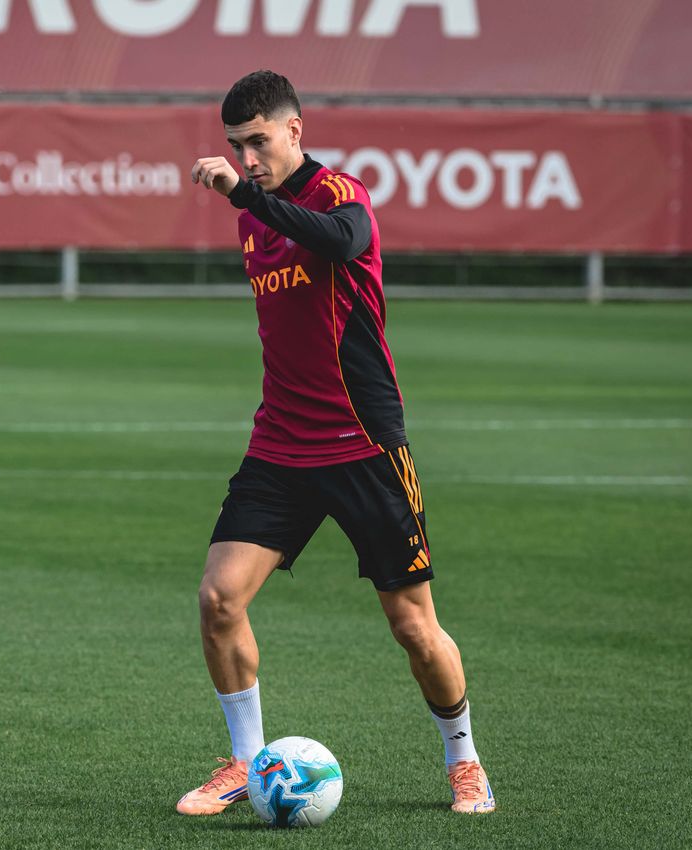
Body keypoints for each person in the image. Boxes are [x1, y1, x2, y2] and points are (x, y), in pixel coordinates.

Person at [179, 70, 495, 816]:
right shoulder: (251, 215)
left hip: (363, 445)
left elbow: (342, 240)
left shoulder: (339, 197)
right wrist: (251, 199)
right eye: (236, 146)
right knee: (219, 599)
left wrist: (246, 192)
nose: (247, 157)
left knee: (414, 626)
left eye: (258, 141)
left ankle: (465, 761)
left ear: (295, 129)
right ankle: (247, 761)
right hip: (281, 445)